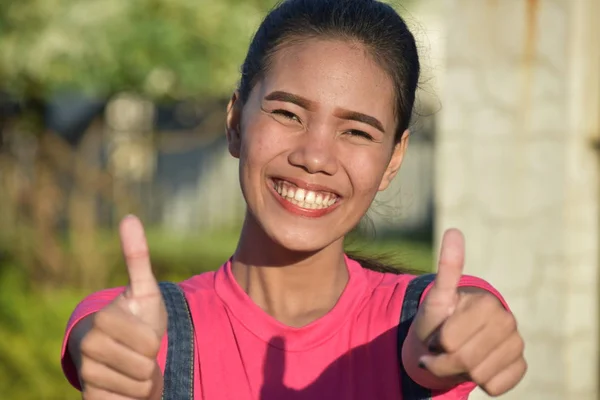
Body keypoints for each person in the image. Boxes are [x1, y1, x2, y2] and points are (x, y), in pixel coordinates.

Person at [61, 0, 527, 399]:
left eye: (357, 131)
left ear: (393, 159)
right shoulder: (145, 329)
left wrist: (456, 339)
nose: (315, 156)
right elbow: (101, 336)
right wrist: (122, 365)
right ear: (236, 121)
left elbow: (458, 320)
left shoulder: (423, 318)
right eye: (287, 112)